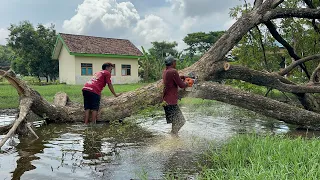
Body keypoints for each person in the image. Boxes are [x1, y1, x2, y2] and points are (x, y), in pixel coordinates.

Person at [162, 56, 193, 135]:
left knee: (175, 121)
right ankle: (173, 136)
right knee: (181, 121)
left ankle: (173, 137)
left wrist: (183, 77)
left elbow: (173, 79)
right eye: (175, 62)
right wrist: (189, 82)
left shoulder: (166, 71)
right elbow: (182, 85)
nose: (176, 63)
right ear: (172, 63)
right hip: (171, 102)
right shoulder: (173, 71)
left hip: (166, 101)